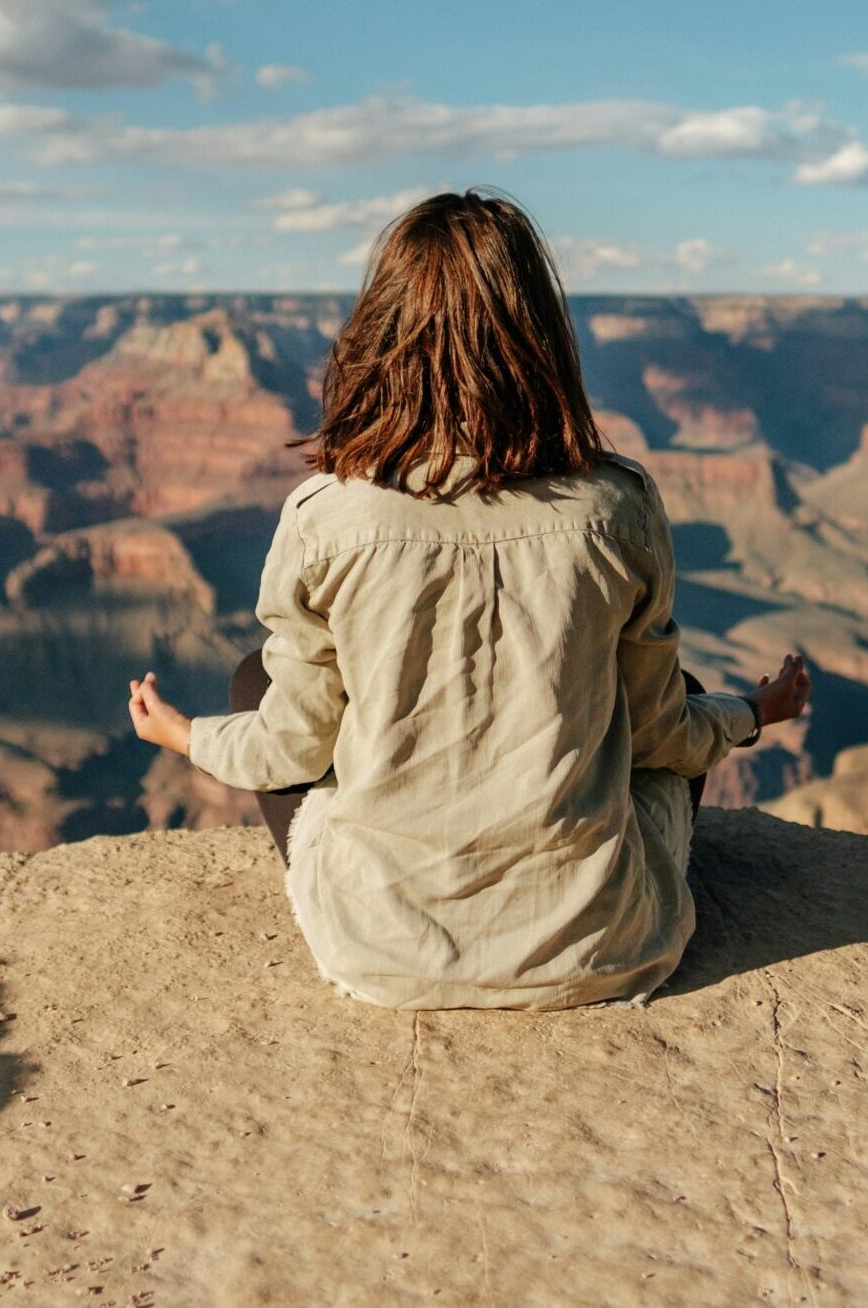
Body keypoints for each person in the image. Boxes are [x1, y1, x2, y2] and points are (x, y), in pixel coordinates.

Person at [128, 187, 811, 1011]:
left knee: (253, 684)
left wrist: (184, 736)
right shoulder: (614, 505)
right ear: (540, 337)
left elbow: (292, 751)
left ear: (379, 334)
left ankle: (398, 910)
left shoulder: (326, 514)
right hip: (602, 951)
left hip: (381, 957)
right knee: (684, 695)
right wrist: (751, 712)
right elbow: (663, 735)